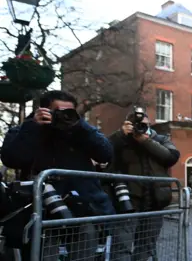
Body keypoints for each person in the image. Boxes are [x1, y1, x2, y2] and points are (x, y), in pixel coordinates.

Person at [0, 90, 116, 260]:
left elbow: (106, 154)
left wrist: (79, 126)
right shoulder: (25, 129)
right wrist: (33, 127)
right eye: (58, 112)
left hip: (82, 207)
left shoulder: (80, 132)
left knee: (84, 255)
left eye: (68, 112)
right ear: (44, 110)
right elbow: (13, 159)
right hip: (42, 210)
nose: (64, 116)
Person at [106, 107, 180, 261]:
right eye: (137, 124)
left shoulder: (160, 139)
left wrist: (145, 141)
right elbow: (102, 152)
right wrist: (120, 135)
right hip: (127, 201)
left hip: (155, 200)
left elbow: (171, 157)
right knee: (122, 246)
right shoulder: (121, 140)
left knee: (146, 247)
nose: (142, 127)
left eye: (145, 124)